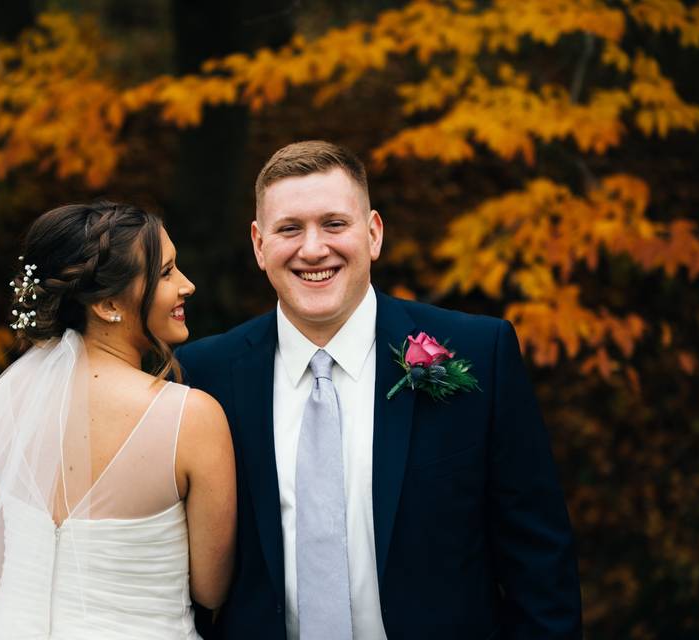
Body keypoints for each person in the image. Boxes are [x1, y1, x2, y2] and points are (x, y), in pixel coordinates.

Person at [176, 141, 582, 639]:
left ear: (373, 234)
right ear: (260, 246)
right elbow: (181, 576)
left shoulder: (479, 352)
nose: (312, 248)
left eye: (334, 223)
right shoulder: (203, 375)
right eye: (289, 229)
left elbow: (539, 560)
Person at [0, 202, 236, 639]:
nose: (188, 285)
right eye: (166, 273)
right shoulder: (191, 417)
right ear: (108, 304)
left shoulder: (7, 399)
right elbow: (210, 588)